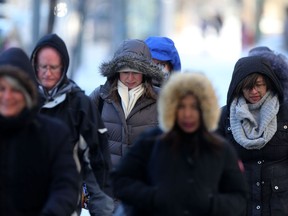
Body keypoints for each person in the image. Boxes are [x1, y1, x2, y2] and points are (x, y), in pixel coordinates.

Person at [111, 72, 248, 216]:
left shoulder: (220, 148)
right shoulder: (151, 142)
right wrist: (153, 197)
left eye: (194, 107)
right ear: (171, 107)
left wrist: (210, 204)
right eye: (181, 106)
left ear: (205, 109)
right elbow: (121, 180)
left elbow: (239, 196)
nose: (187, 114)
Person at [30, 33, 114, 216]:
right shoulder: (20, 102)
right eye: (43, 66)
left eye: (54, 67)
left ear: (64, 67)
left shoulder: (81, 106)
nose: (47, 72)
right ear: (34, 66)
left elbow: (98, 169)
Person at [0, 47, 80, 215]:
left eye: (15, 90)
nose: (7, 97)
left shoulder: (53, 134)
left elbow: (66, 187)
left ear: (28, 94)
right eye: (1, 89)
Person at [216, 55, 288, 216]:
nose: (254, 91)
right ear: (238, 87)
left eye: (259, 85)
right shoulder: (224, 116)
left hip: (280, 205)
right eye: (248, 87)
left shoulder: (285, 113)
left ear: (269, 83)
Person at [89, 39, 163, 168]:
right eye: (125, 72)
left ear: (145, 73)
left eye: (135, 73)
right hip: (106, 182)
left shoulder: (161, 99)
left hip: (144, 182)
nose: (130, 78)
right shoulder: (100, 96)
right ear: (116, 72)